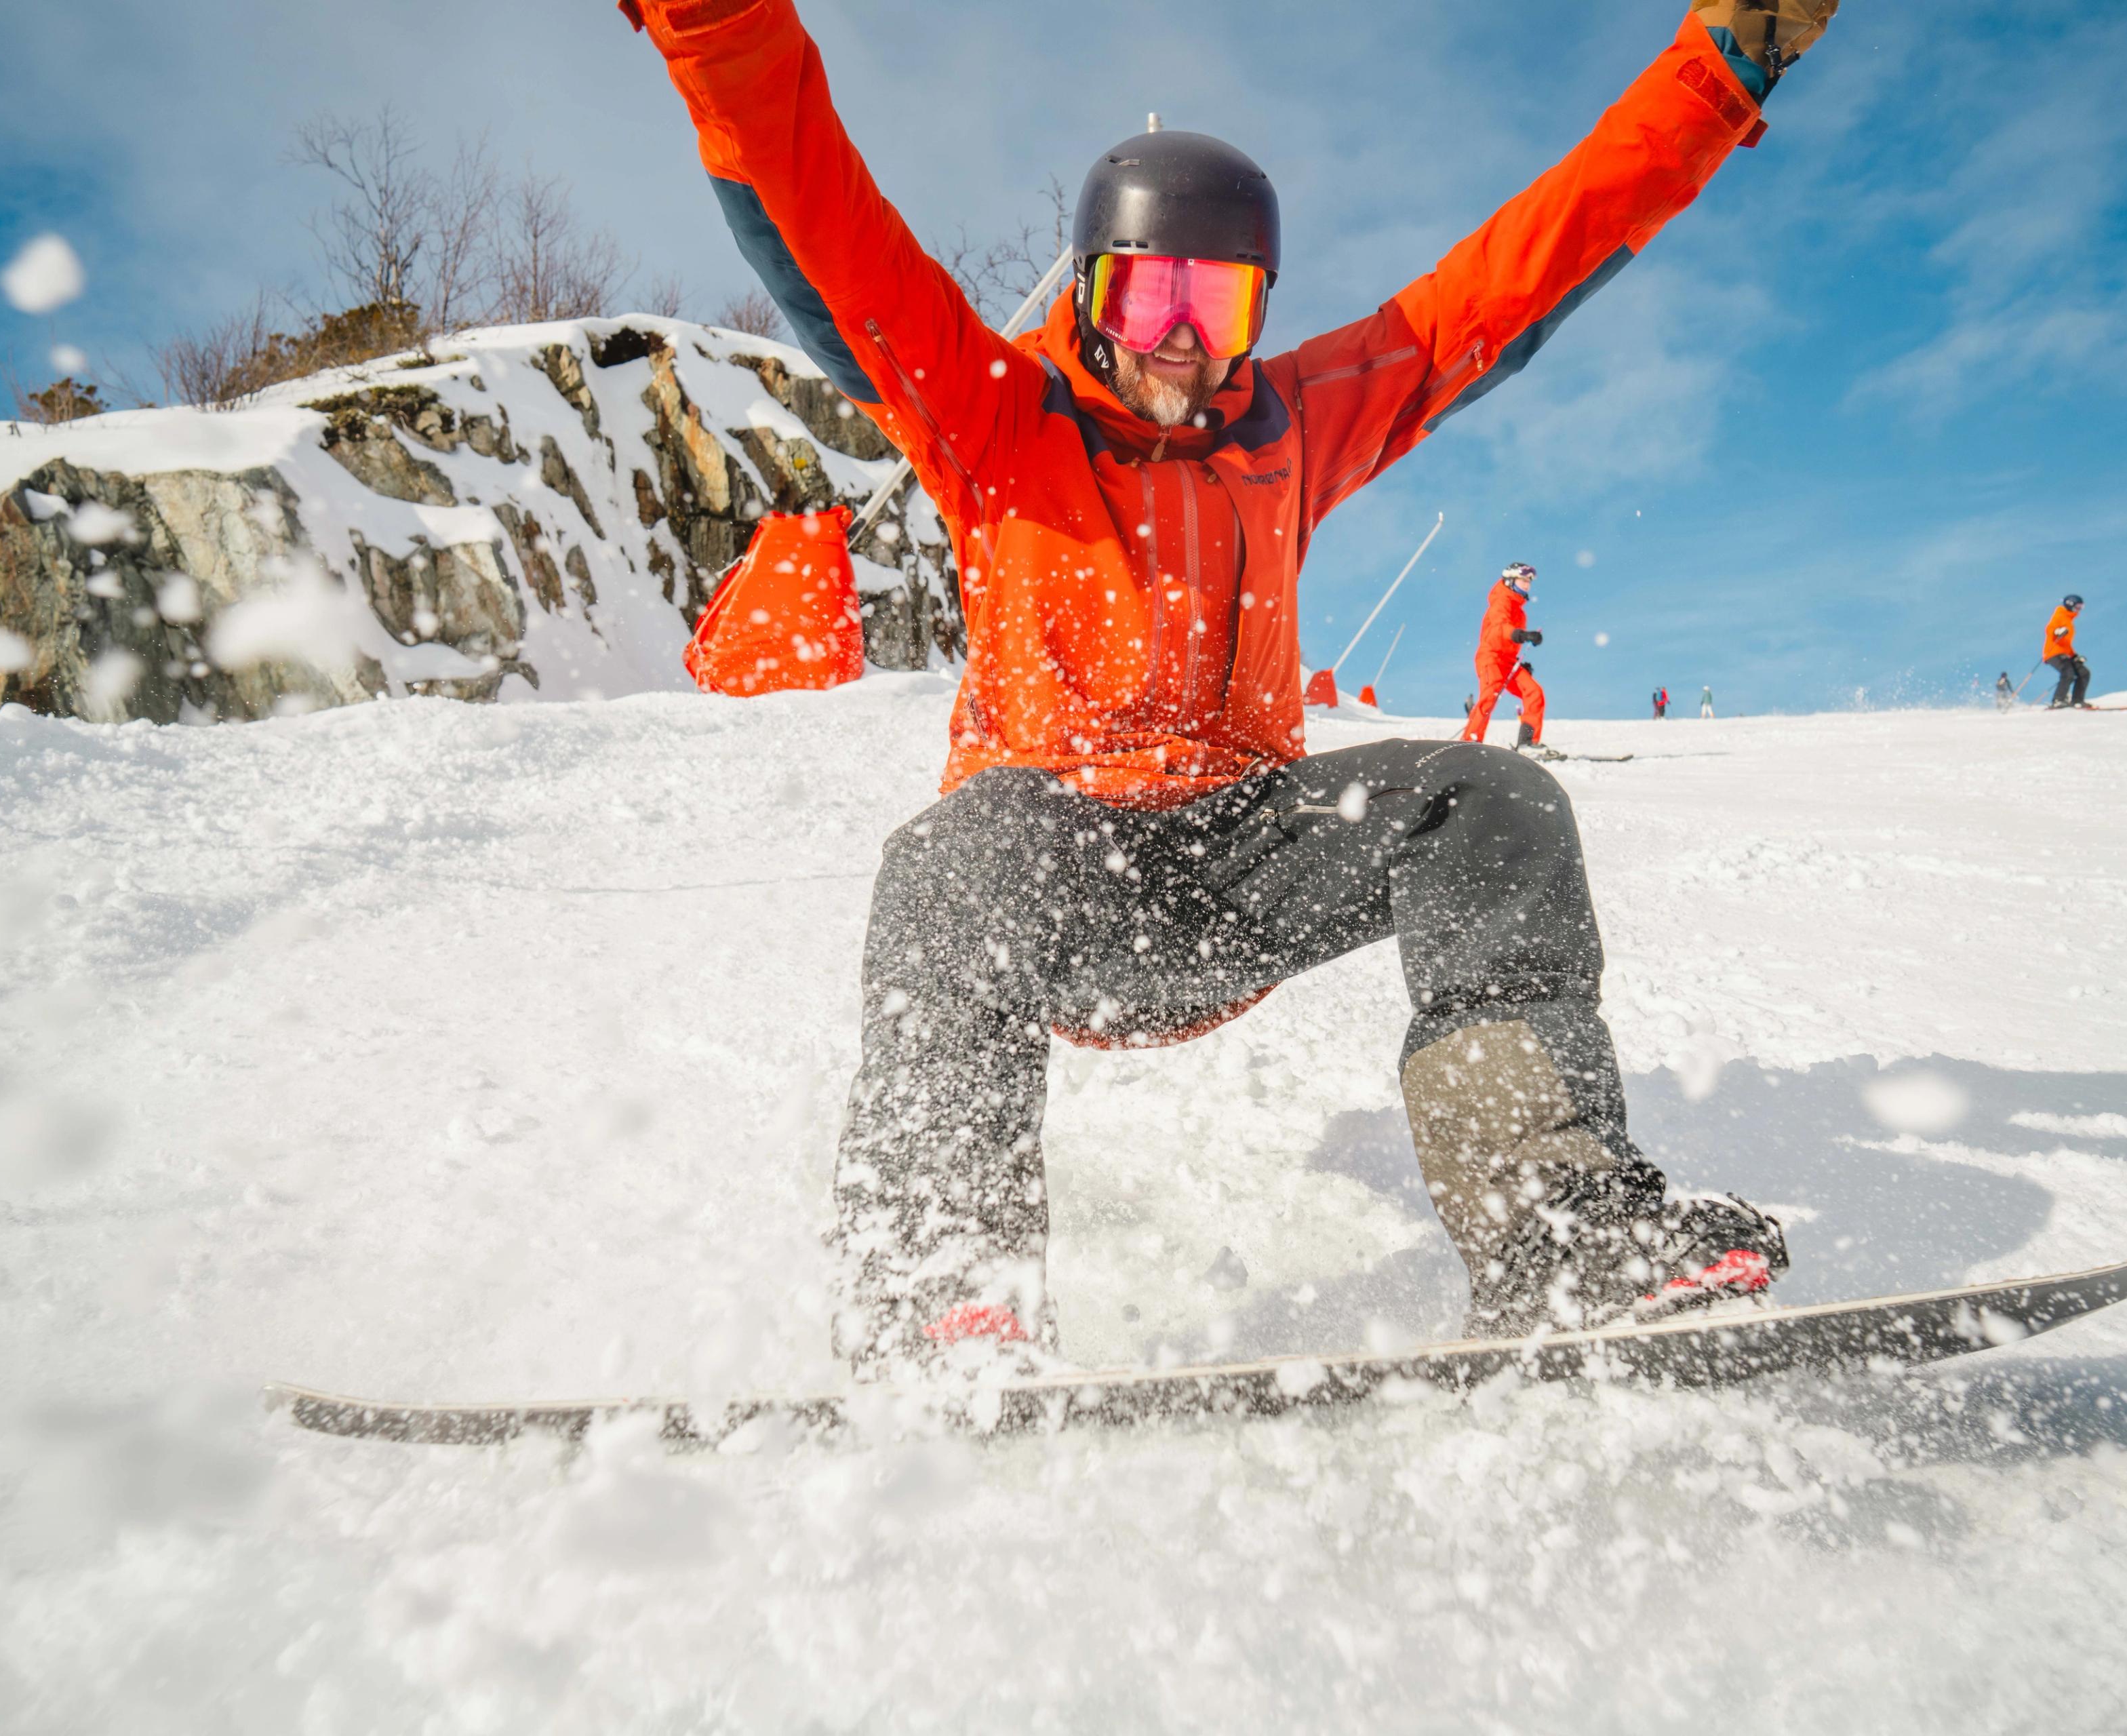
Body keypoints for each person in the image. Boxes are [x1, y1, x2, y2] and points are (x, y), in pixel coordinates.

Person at [622, 0, 1833, 1376]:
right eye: (1151, 294)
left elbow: (1516, 278)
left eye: (1222, 301)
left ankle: (1559, 1230)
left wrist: (1721, 66)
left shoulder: (1295, 428)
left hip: (1244, 861)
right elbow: (814, 211)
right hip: (1052, 870)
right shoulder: (991, 415)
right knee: (947, 857)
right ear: (1089, 288)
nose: (1185, 338)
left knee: (1487, 799)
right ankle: (941, 1286)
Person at [1461, 561, 1549, 751]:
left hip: (1509, 662)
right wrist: (1522, 635)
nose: (1527, 584)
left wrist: (1520, 662)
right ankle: (1469, 743)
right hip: (1491, 658)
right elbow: (1500, 629)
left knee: (1534, 692)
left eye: (1529, 581)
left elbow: (1509, 642)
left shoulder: (1519, 611)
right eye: (1523, 579)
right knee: (1489, 696)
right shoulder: (1501, 601)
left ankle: (1527, 743)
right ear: (1510, 580)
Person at [2044, 595, 2090, 709]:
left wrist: (2075, 656)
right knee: (2068, 673)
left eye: (2081, 607)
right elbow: (2049, 629)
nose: (2079, 609)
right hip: (2053, 653)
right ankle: (2058, 700)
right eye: (2078, 606)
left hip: (2065, 654)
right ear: (2070, 604)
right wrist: (2057, 631)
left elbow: (2066, 644)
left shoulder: (2069, 620)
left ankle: (2077, 701)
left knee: (2084, 673)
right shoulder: (2060, 614)